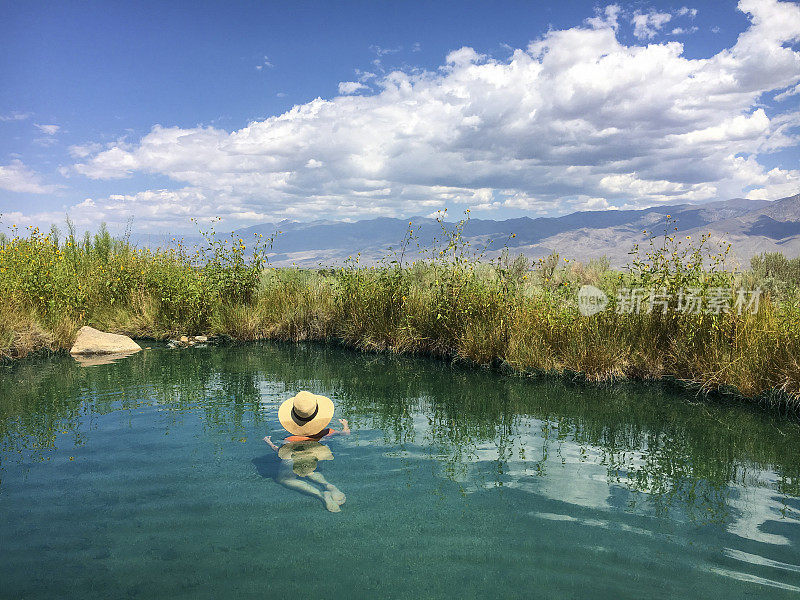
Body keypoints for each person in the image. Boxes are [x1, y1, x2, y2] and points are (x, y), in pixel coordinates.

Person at [260, 391, 351, 512]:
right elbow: (346, 434)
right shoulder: (328, 432)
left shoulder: (289, 440)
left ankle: (320, 494)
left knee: (284, 479)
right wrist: (345, 425)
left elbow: (280, 452)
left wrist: (269, 443)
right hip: (317, 455)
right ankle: (329, 485)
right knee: (309, 471)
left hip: (295, 458)